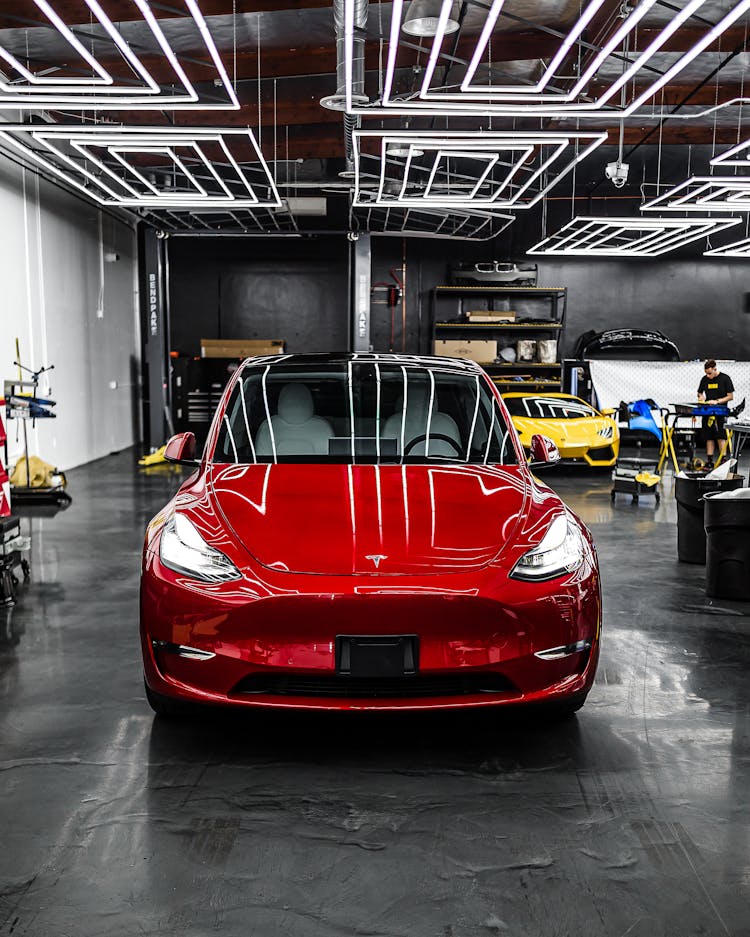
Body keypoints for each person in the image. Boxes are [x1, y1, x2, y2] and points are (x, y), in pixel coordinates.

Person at [697, 359, 734, 466]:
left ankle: (723, 459)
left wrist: (717, 401)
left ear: (715, 369)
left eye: (709, 373)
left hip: (720, 411)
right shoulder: (704, 379)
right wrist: (701, 398)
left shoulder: (725, 378)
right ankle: (709, 460)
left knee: (720, 436)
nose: (708, 376)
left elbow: (730, 396)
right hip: (708, 411)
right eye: (706, 373)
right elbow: (699, 393)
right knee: (708, 436)